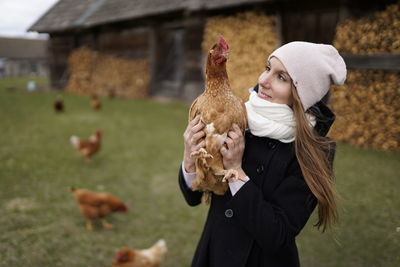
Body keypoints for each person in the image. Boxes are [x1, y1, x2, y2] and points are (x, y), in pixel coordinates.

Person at [178, 41, 347, 267]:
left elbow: (277, 235)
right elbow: (193, 197)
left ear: (302, 93)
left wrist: (236, 172)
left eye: (281, 77)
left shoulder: (315, 153)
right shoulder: (239, 117)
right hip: (214, 253)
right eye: (267, 68)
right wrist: (190, 159)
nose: (263, 80)